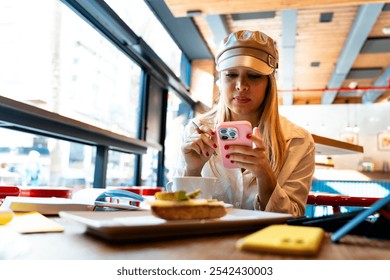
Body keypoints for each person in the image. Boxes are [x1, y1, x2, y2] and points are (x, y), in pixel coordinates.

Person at [178, 30, 315, 217]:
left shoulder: (299, 141)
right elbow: (178, 214)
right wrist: (192, 170)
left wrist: (265, 175)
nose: (241, 85)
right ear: (220, 80)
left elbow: (294, 219)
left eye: (254, 75)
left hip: (265, 244)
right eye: (231, 74)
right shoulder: (196, 131)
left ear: (269, 83)